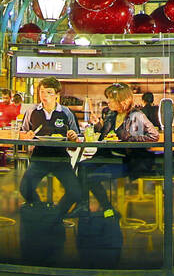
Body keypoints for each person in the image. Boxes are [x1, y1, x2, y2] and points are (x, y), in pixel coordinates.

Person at [78, 82, 159, 216]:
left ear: (123, 100)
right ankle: (84, 206)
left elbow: (153, 136)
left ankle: (108, 209)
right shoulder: (112, 114)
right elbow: (104, 136)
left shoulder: (136, 115)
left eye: (111, 98)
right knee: (82, 167)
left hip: (125, 160)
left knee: (92, 177)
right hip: (107, 156)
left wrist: (128, 140)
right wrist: (98, 124)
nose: (108, 101)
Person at [17, 77, 83, 218]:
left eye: (49, 92)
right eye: (42, 91)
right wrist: (26, 136)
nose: (45, 95)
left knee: (75, 192)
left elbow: (76, 142)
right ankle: (42, 211)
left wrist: (73, 138)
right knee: (25, 188)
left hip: (61, 159)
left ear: (57, 94)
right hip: (39, 158)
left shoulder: (66, 113)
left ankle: (57, 214)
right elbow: (22, 135)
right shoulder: (32, 112)